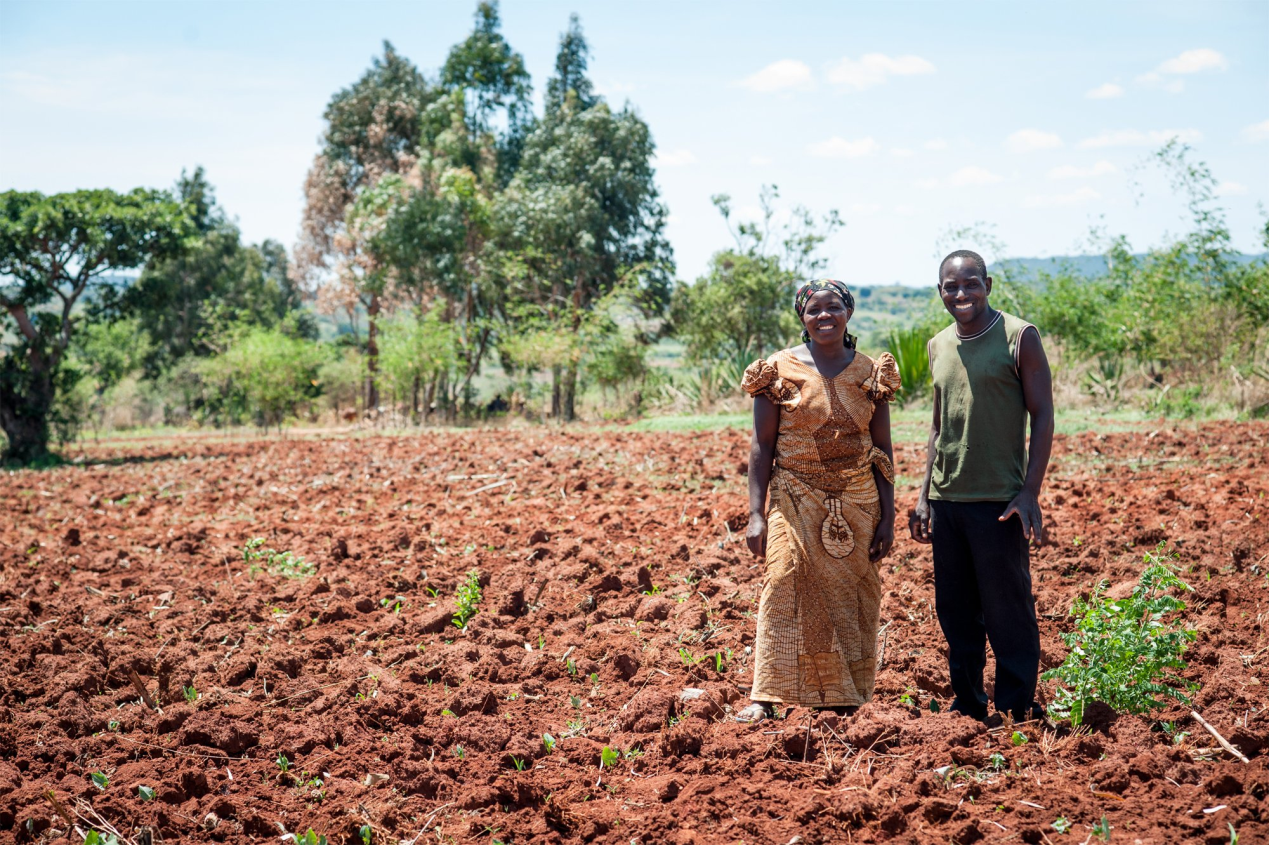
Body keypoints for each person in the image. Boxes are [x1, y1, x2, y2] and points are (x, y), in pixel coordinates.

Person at [737, 279, 900, 722]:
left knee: (855, 593)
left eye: (833, 308)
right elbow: (761, 446)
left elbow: (881, 449)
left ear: (848, 312)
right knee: (782, 582)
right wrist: (755, 514)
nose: (824, 316)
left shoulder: (870, 371)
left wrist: (888, 515)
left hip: (858, 501)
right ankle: (766, 697)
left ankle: (846, 696)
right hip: (793, 494)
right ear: (801, 317)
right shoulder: (779, 368)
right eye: (814, 310)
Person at [909, 250, 1054, 724]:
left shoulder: (1019, 336)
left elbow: (1044, 415)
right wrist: (924, 495)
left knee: (1007, 608)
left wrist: (1029, 491)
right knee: (955, 611)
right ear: (940, 292)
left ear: (987, 284)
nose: (961, 294)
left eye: (970, 284)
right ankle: (968, 704)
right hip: (948, 499)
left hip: (998, 500)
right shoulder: (938, 344)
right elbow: (936, 427)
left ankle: (1016, 706)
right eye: (951, 287)